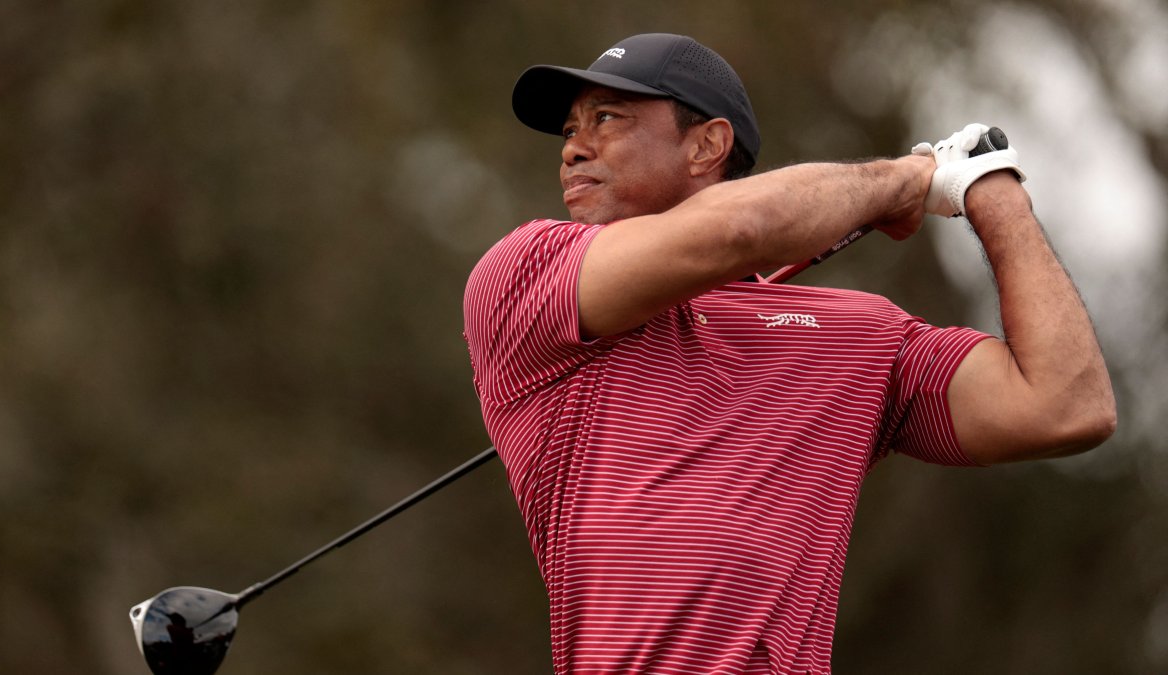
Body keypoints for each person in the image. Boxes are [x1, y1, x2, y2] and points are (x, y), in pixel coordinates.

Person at [462, 33, 1116, 674]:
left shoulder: (862, 336)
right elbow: (743, 228)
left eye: (607, 117)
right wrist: (905, 179)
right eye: (571, 128)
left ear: (707, 146)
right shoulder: (527, 276)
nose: (574, 148)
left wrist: (993, 192)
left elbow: (1067, 403)